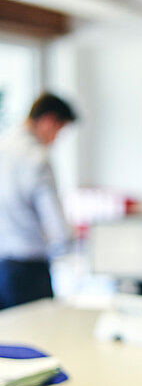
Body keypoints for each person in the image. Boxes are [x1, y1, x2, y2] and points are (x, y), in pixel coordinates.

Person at [0, 92, 77, 310]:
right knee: (37, 338)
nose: (56, 139)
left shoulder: (2, 146)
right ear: (49, 120)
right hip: (29, 271)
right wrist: (68, 243)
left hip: (1, 266)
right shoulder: (36, 158)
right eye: (59, 131)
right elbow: (56, 224)